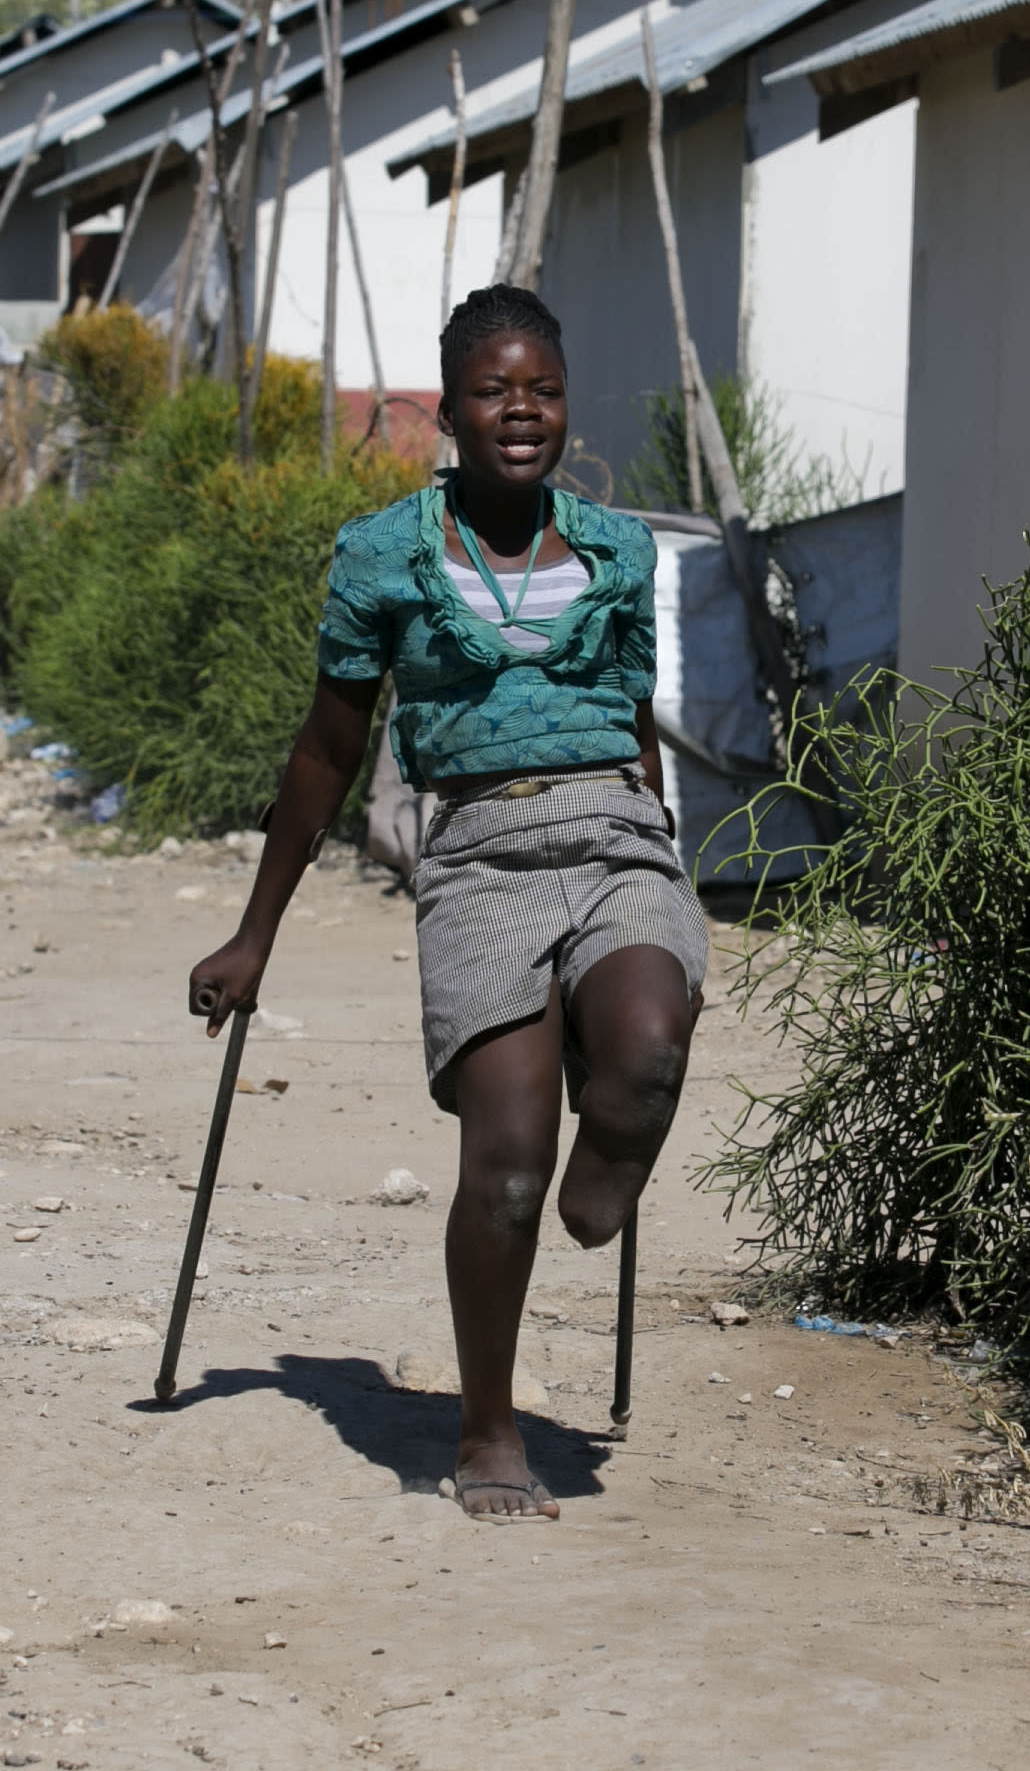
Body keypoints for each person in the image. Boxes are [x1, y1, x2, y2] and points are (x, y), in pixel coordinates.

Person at [188, 285, 702, 1521]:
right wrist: (257, 931)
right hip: (478, 852)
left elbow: (636, 723)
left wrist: (661, 844)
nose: (520, 411)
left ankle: (605, 1188)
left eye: (543, 390)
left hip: (616, 833)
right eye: (492, 391)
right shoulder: (385, 555)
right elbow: (326, 746)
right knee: (506, 1171)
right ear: (450, 411)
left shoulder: (619, 548)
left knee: (644, 1057)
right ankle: (485, 1424)